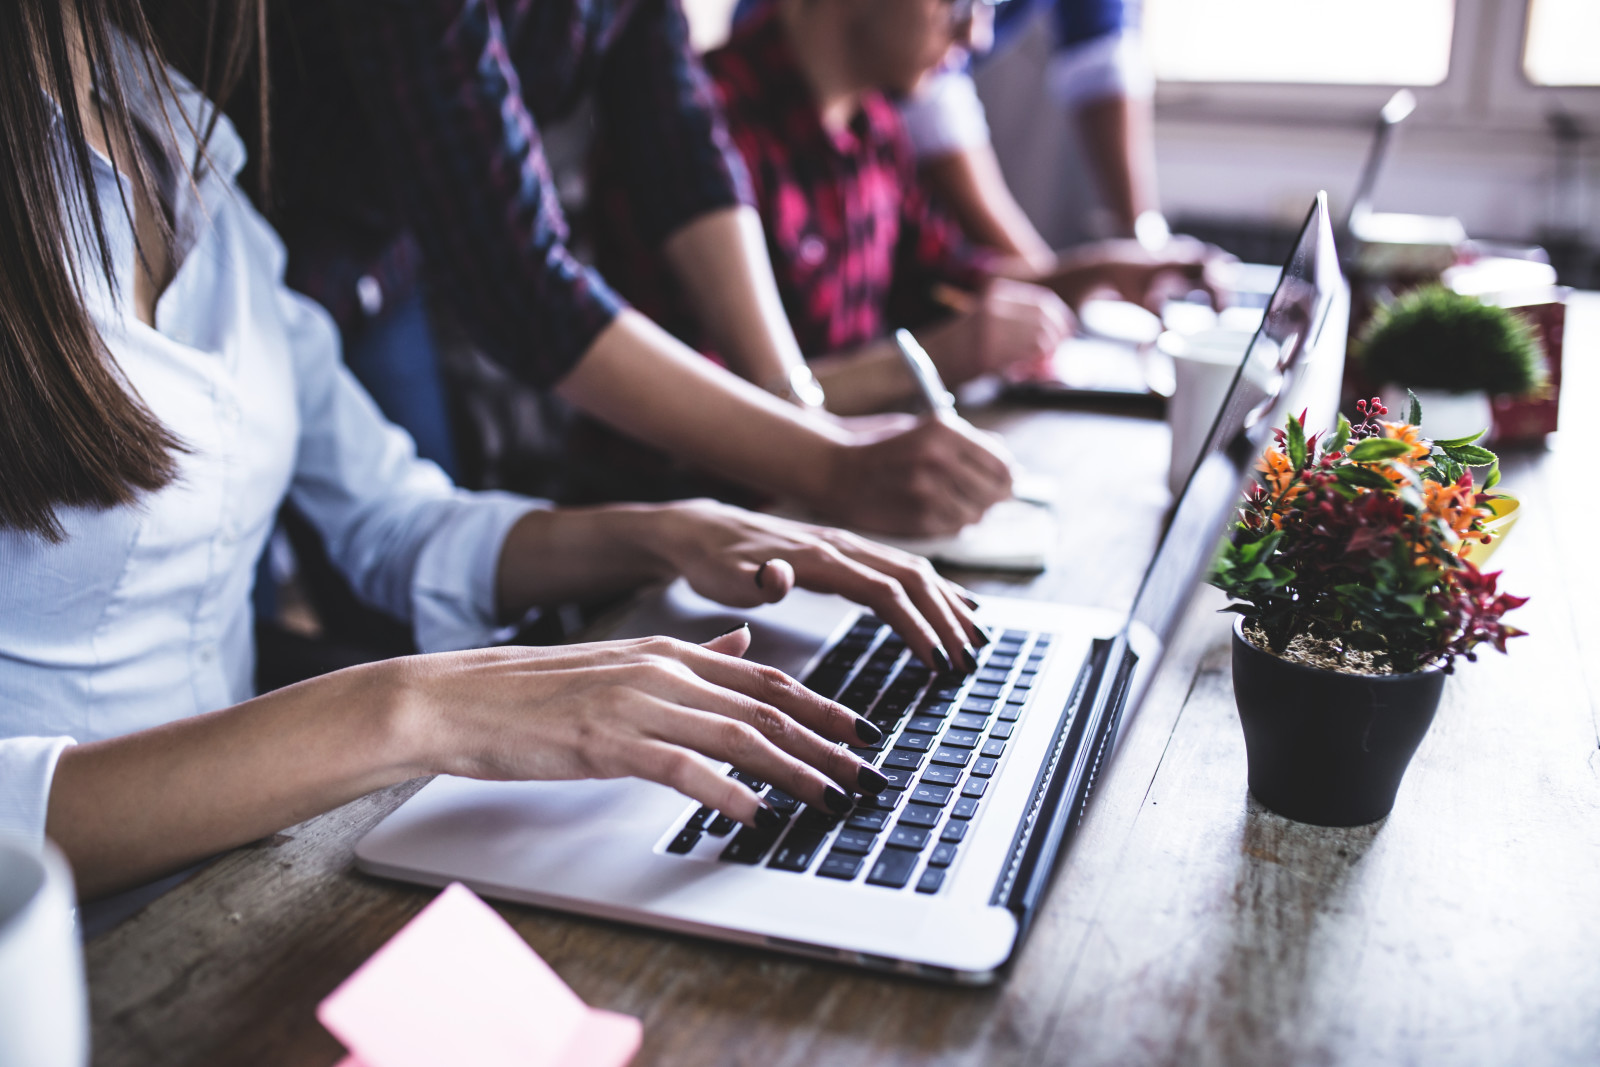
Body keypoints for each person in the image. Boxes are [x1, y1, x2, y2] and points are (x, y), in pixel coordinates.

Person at [0, 0, 989, 900]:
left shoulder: (182, 150)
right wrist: (414, 711)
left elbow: (392, 518)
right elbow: (518, 269)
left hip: (231, 888)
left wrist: (665, 533)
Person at [251, 0, 1012, 539]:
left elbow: (684, 156)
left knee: (403, 578)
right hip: (253, 245)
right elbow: (519, 281)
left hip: (387, 254)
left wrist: (804, 416)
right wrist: (826, 463)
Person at [598, 0, 1219, 416]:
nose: (976, 34)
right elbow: (710, 412)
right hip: (714, 534)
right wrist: (936, 359)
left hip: (834, 492)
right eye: (957, 1)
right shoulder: (696, 137)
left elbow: (950, 277)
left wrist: (1103, 271)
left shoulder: (876, 129)